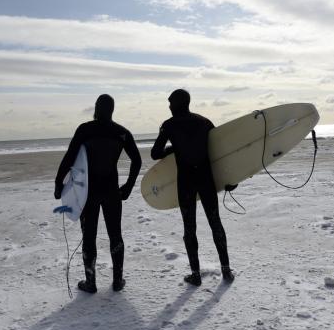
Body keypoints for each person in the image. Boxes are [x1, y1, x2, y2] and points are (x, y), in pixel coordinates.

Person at [54, 94, 141, 293]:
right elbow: (137, 160)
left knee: (89, 236)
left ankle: (90, 282)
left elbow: (69, 157)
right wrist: (128, 186)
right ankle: (118, 281)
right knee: (115, 235)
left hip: (88, 193)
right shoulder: (121, 132)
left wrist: (59, 183)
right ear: (112, 109)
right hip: (111, 190)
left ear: (96, 108)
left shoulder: (85, 130)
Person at [151, 89, 234, 286]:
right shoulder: (204, 122)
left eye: (171, 103)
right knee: (216, 224)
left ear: (178, 104)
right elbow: (219, 152)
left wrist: (174, 148)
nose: (169, 106)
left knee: (190, 229)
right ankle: (226, 271)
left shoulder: (169, 125)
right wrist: (230, 178)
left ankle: (195, 274)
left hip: (186, 182)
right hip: (206, 180)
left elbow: (155, 153)